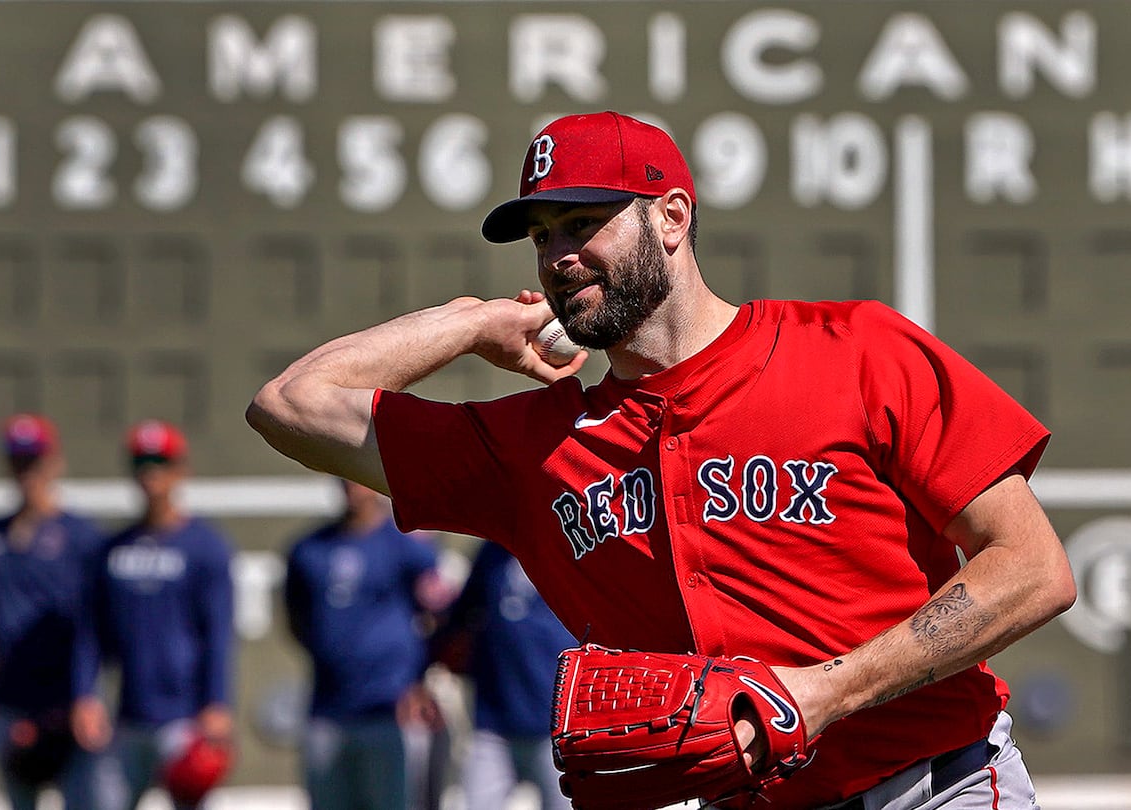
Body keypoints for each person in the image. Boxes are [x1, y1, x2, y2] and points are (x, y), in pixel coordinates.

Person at [246, 110, 1077, 809]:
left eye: (583, 222)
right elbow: (290, 405)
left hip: (935, 790)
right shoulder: (534, 450)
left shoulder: (856, 351)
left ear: (672, 218)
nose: (557, 254)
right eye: (541, 235)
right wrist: (471, 321)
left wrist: (828, 692)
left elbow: (1033, 569)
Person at [71, 420, 236, 810]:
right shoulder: (110, 550)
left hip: (185, 717)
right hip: (127, 716)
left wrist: (217, 703)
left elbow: (218, 632)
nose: (151, 473)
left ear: (181, 470)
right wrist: (84, 695)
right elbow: (91, 631)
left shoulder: (206, 547)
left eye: (160, 462)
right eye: (142, 463)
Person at [283, 477, 452, 810]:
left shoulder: (409, 548)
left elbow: (440, 617)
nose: (353, 488)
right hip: (328, 707)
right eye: (345, 480)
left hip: (390, 711)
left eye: (359, 480)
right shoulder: (310, 550)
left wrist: (418, 680)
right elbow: (297, 619)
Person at [0, 415, 107, 810]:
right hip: (11, 699)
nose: (25, 471)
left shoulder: (81, 537)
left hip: (67, 699)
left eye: (33, 460)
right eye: (17, 460)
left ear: (54, 462)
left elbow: (96, 621)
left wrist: (87, 694)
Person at [430, 540, 573, 810]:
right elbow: (460, 619)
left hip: (556, 722)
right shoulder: (493, 551)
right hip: (494, 718)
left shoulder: (568, 544)